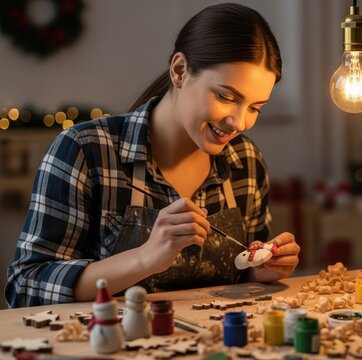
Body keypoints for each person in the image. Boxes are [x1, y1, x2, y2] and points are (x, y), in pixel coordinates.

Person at [5, 3, 300, 308]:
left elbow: (241, 282)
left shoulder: (246, 161)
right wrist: (145, 257)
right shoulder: (84, 150)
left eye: (254, 108)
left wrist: (262, 270)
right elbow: (26, 287)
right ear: (180, 71)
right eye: (226, 97)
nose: (239, 123)